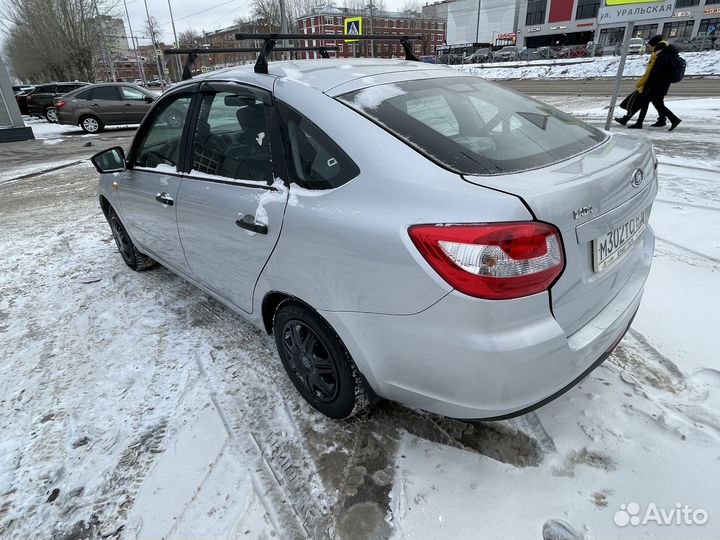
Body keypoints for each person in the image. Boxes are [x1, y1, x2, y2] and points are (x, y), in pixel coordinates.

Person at [616, 35, 681, 131]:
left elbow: (651, 71)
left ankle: (673, 119)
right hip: (662, 82)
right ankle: (659, 120)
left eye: (650, 46)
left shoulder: (659, 54)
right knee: (650, 102)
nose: (649, 48)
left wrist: (640, 83)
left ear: (655, 45)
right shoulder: (668, 51)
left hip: (655, 83)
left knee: (650, 102)